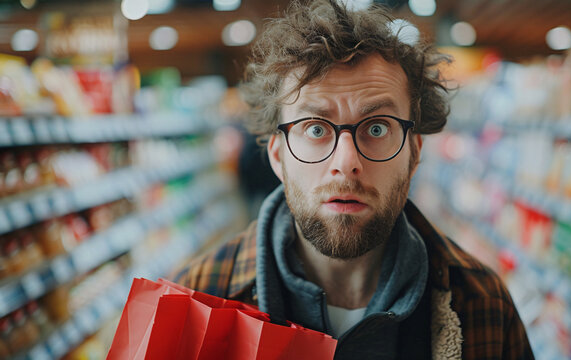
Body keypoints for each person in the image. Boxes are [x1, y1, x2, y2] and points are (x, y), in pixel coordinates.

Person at [173, 0, 534, 358]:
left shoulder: (484, 304)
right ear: (277, 155)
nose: (346, 163)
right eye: (315, 128)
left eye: (377, 127)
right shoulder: (197, 298)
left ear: (415, 152)